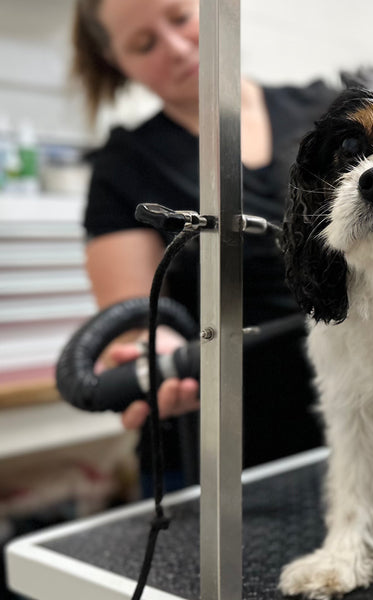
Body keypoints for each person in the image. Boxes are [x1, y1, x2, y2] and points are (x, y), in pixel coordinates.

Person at [70, 0, 335, 494]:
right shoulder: (126, 166)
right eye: (143, 44)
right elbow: (131, 315)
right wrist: (153, 349)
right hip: (216, 451)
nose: (175, 48)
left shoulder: (331, 113)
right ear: (117, 63)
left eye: (179, 18)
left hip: (358, 418)